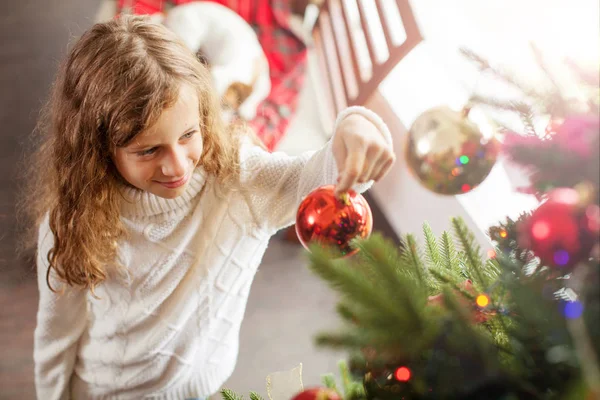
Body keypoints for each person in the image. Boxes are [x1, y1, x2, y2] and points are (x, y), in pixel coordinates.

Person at [28, 15, 395, 400]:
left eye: (188, 135)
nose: (177, 166)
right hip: (107, 390)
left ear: (204, 116)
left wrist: (355, 127)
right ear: (100, 147)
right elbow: (57, 333)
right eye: (148, 150)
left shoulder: (238, 180)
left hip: (200, 385)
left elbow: (319, 179)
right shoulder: (69, 219)